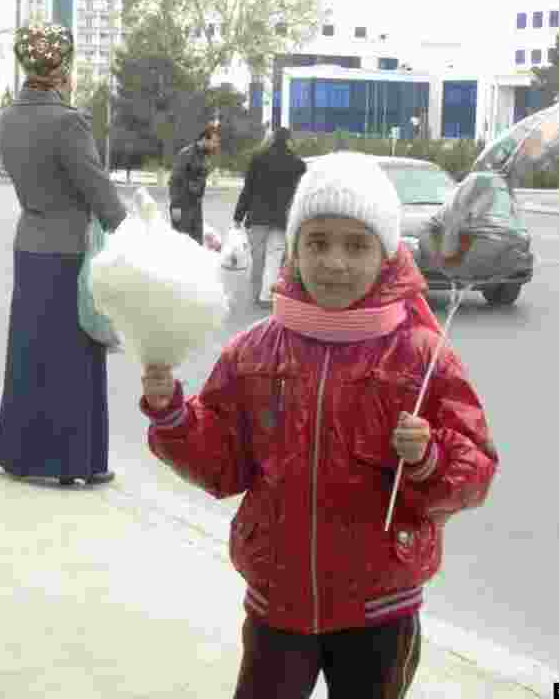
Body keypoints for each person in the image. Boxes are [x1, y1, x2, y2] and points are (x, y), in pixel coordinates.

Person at [139, 152, 498, 699]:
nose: (334, 261)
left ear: (386, 254)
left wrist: (429, 458)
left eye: (356, 245)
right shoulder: (253, 352)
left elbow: (475, 469)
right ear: (294, 249)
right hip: (277, 603)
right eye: (318, 241)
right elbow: (223, 465)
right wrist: (172, 416)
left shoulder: (421, 356)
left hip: (380, 606)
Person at [0, 23, 126, 487]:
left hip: (28, 245)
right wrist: (129, 226)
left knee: (29, 351)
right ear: (63, 66)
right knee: (76, 356)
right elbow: (100, 193)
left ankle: (20, 453)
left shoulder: (6, 118)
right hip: (70, 251)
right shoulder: (69, 122)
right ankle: (74, 462)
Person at [233, 127, 307, 307]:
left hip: (257, 217)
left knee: (257, 257)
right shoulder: (298, 164)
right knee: (274, 256)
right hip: (282, 219)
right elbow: (301, 194)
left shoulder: (258, 159)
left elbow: (248, 189)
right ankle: (266, 296)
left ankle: (256, 294)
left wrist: (238, 215)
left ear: (272, 139)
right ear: (288, 141)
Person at [168, 122, 221, 244]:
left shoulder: (203, 156)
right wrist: (175, 209)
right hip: (181, 207)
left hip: (195, 207)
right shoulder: (186, 154)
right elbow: (174, 182)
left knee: (196, 244)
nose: (216, 145)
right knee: (181, 244)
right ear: (204, 139)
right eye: (214, 142)